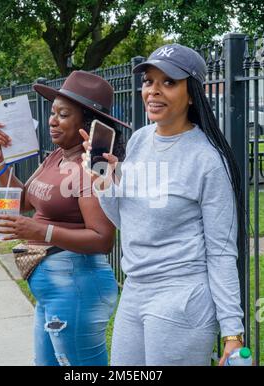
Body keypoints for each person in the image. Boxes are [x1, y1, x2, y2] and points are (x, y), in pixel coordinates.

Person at [80, 43, 246, 366]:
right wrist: (103, 180)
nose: (153, 91)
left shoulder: (208, 161)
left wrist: (232, 333)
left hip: (180, 300)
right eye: (148, 81)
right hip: (134, 292)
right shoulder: (140, 141)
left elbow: (222, 251)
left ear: (192, 93)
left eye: (168, 82)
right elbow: (126, 220)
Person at [0, 70, 130, 366]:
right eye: (53, 113)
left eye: (63, 115)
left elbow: (103, 239)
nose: (52, 121)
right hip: (53, 292)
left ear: (87, 123)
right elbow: (23, 200)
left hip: (77, 289)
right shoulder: (57, 156)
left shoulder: (92, 169)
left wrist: (39, 230)